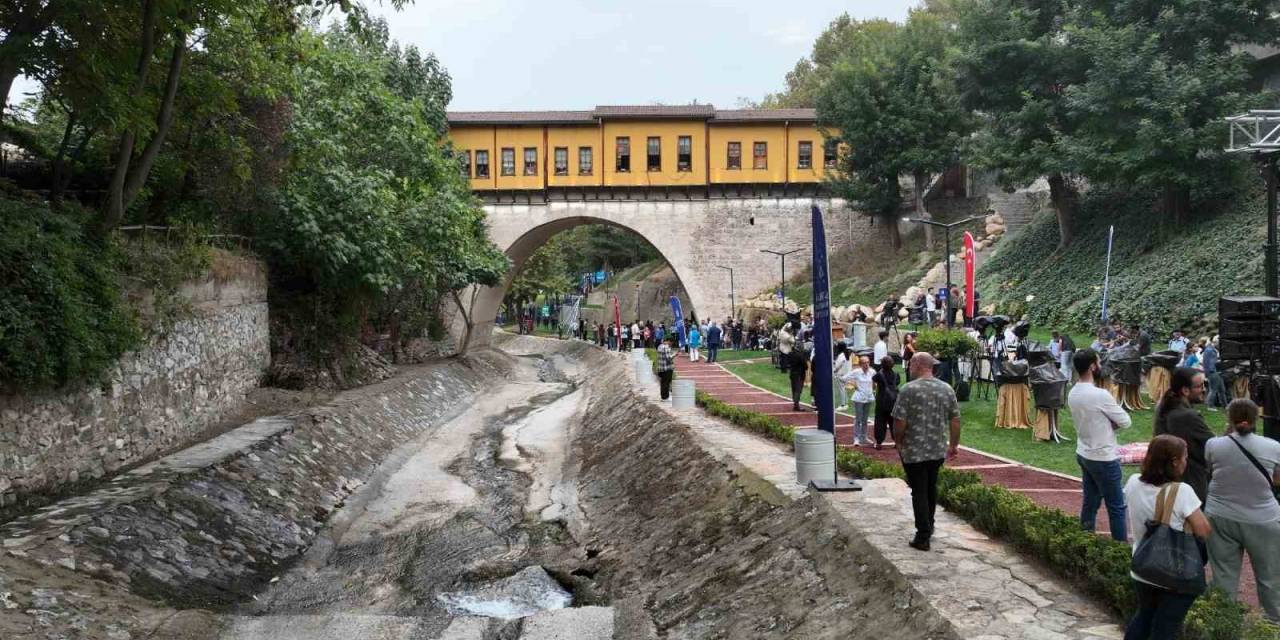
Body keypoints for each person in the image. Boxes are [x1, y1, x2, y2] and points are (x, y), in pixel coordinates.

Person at [1122, 434, 1212, 639]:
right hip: (1174, 573)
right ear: (1174, 462)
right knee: (1165, 628)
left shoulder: (1133, 482)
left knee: (1144, 617)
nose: (1186, 462)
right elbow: (1203, 530)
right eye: (1185, 457)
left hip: (1144, 566)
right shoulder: (1182, 491)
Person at [1205, 398, 1280, 621]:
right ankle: (1274, 623)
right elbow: (1277, 480)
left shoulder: (1213, 445)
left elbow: (1212, 469)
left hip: (1220, 515)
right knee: (1270, 576)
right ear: (1256, 418)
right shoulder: (1274, 446)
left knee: (1223, 575)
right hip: (1263, 518)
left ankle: (1223, 622)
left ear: (1229, 418)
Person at [892, 352, 960, 551]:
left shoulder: (908, 390)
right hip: (937, 449)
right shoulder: (946, 389)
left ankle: (922, 536)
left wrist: (898, 441)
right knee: (930, 488)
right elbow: (955, 420)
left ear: (917, 364)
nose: (909, 368)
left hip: (914, 450)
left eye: (910, 364)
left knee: (919, 491)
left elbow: (900, 421)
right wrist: (953, 445)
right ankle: (929, 526)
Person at [1068, 348, 1132, 542]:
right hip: (1104, 456)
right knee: (1116, 507)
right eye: (1098, 362)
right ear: (1092, 366)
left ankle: (1085, 540)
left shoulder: (1073, 392)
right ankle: (1119, 550)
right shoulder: (1100, 395)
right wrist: (1109, 424)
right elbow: (1126, 421)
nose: (1101, 366)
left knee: (1090, 502)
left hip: (1084, 452)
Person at [1153, 367, 1214, 502]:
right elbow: (1212, 445)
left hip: (1169, 477)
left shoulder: (1165, 405)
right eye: (1199, 386)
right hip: (1190, 480)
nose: (1204, 389)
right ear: (1185, 390)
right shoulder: (1186, 415)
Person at [873, 355, 900, 450]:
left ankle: (879, 442)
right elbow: (897, 384)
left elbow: (874, 381)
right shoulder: (896, 374)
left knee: (880, 422)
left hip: (881, 402)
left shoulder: (879, 375)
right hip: (893, 402)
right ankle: (897, 441)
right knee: (894, 423)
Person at [848, 355, 875, 446]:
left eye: (868, 362)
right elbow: (844, 378)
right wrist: (853, 384)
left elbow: (875, 381)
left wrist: (873, 389)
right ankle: (856, 438)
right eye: (864, 363)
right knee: (858, 418)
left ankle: (864, 436)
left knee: (865, 419)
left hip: (868, 397)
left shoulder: (872, 371)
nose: (866, 364)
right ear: (860, 364)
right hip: (859, 398)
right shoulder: (856, 372)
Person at [787, 323, 810, 412]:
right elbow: (805, 365)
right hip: (800, 374)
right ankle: (796, 405)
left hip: (792, 372)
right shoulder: (800, 355)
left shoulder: (791, 353)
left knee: (794, 388)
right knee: (798, 390)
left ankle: (795, 403)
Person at [1202, 338, 1226, 410]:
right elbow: (1210, 363)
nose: (1220, 346)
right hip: (1213, 372)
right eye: (1219, 344)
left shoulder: (1211, 349)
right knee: (1213, 389)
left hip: (1217, 371)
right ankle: (1210, 406)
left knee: (1222, 390)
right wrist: (1212, 371)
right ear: (1215, 342)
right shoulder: (1210, 350)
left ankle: (1225, 405)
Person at [656, 336, 676, 400]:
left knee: (663, 382)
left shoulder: (660, 346)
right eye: (671, 343)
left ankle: (663, 396)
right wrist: (675, 354)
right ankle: (665, 397)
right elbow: (668, 358)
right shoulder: (666, 347)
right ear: (669, 341)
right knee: (666, 383)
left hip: (660, 368)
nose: (671, 345)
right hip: (667, 368)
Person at [833, 344, 852, 409]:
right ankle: (845, 403)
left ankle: (843, 405)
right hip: (846, 374)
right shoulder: (847, 354)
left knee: (841, 389)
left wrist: (834, 370)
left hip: (841, 374)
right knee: (843, 389)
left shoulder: (841, 355)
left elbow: (838, 366)